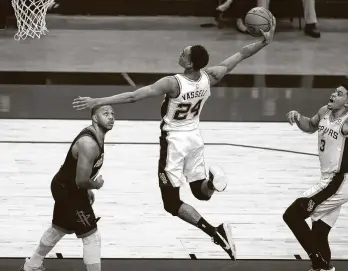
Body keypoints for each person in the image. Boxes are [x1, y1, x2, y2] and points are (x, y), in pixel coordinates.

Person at [72, 19, 276, 260]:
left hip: (174, 143)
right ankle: (212, 184)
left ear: (189, 63)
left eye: (184, 53)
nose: (180, 53)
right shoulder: (211, 76)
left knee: (171, 203)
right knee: (201, 193)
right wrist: (264, 41)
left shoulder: (172, 83)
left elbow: (133, 97)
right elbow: (240, 55)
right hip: (195, 139)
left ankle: (215, 231)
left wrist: (98, 101)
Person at [283, 84, 348, 271]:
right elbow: (309, 126)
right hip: (327, 181)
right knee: (319, 232)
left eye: (339, 94)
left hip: (338, 182)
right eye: (334, 91)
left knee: (292, 215)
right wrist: (298, 117)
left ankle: (318, 263)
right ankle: (324, 268)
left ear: (347, 103)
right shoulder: (325, 111)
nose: (333, 94)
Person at [21, 105, 115, 271]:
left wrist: (87, 188)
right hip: (69, 191)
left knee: (58, 228)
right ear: (94, 117)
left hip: (66, 186)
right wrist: (95, 185)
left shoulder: (97, 137)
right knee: (92, 236)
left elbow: (78, 171)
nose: (111, 117)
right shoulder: (89, 143)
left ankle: (32, 265)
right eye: (105, 113)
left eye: (113, 113)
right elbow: (81, 180)